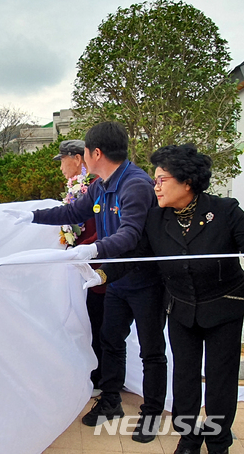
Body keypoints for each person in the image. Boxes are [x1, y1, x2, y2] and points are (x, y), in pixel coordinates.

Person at [6, 121, 166, 443]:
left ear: (96, 153)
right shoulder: (100, 185)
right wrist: (31, 217)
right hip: (117, 279)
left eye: (85, 153)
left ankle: (151, 414)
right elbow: (74, 212)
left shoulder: (135, 185)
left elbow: (131, 234)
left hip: (146, 281)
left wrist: (95, 248)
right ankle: (110, 402)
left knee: (151, 350)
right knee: (110, 341)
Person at [78, 144, 244, 454]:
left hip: (223, 308)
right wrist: (101, 274)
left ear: (187, 182)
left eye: (161, 179)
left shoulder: (225, 212)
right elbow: (136, 256)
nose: (155, 186)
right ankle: (189, 439)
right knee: (185, 378)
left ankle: (219, 442)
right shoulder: (157, 219)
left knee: (220, 380)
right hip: (182, 309)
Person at [53, 139, 106, 395]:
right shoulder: (77, 187)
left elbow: (103, 226)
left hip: (99, 268)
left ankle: (102, 377)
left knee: (100, 325)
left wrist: (80, 247)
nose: (61, 167)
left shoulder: (93, 186)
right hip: (81, 266)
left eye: (62, 160)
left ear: (76, 159)